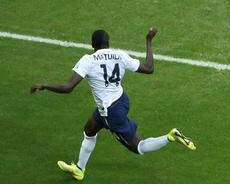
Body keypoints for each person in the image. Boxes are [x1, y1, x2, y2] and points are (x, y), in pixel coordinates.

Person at [31, 28, 196, 181]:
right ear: (108, 43)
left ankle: (170, 137)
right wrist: (148, 40)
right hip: (122, 100)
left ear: (92, 45)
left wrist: (44, 86)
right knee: (89, 129)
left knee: (138, 147)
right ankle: (80, 169)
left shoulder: (88, 60)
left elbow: (67, 88)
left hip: (110, 111)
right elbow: (149, 68)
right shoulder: (119, 55)